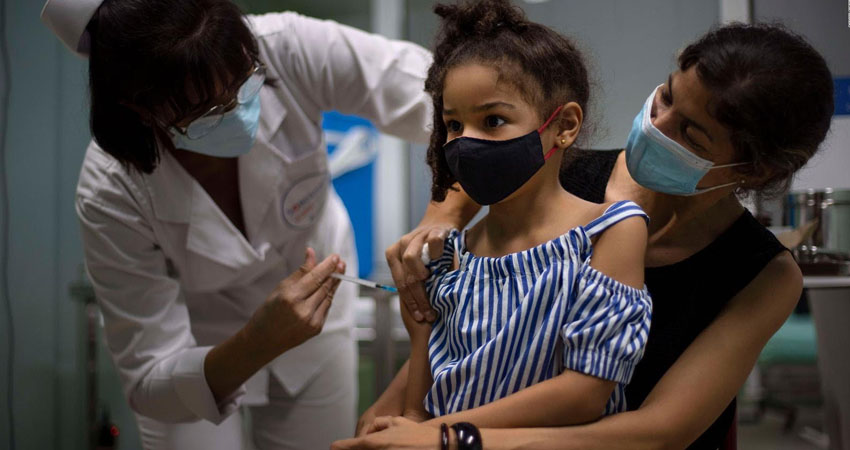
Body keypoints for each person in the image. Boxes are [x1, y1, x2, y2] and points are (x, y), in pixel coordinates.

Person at [339, 19, 834, 450]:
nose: (657, 124)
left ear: (752, 170)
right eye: (666, 95)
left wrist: (450, 437)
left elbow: (659, 433)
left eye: (690, 134)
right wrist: (397, 411)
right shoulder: (561, 176)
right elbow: (474, 326)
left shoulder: (762, 275)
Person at [40, 0, 432, 448]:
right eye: (206, 110)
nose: (236, 108)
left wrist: (443, 216)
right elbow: (150, 377)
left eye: (245, 80)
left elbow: (447, 98)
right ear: (142, 108)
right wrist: (255, 343)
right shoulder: (111, 189)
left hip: (318, 332)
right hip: (195, 351)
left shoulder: (286, 47)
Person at [382, 0, 652, 431]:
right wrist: (401, 421)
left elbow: (584, 394)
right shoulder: (451, 255)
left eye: (492, 120)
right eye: (454, 125)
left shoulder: (609, 231)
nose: (465, 142)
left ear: (563, 125)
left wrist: (433, 435)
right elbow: (422, 401)